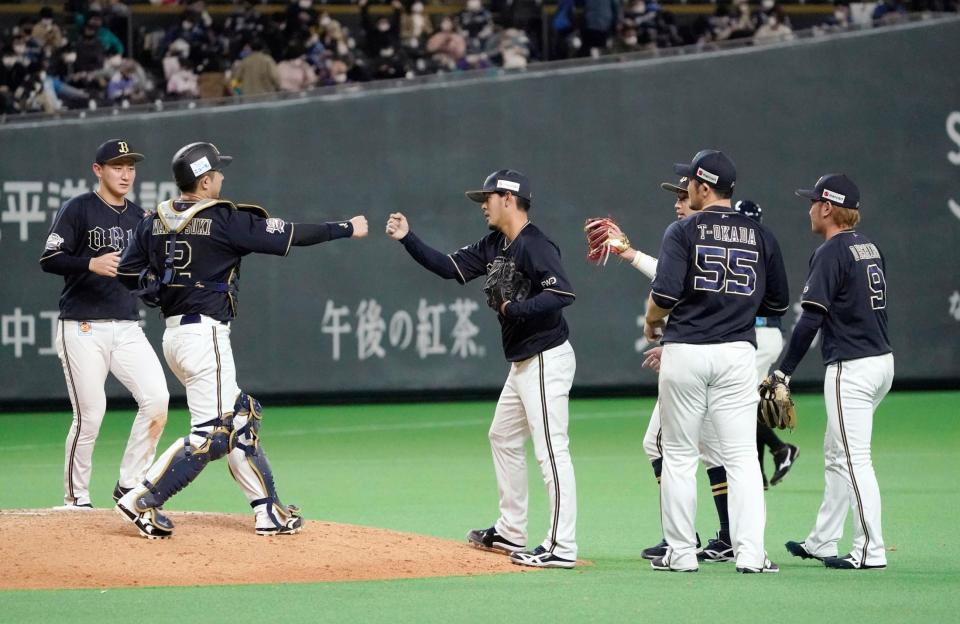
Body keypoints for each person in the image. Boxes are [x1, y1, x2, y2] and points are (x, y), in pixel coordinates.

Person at [113, 142, 368, 539]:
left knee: (241, 420)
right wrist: (345, 228)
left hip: (176, 336)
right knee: (212, 433)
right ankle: (141, 499)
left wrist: (160, 288)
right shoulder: (223, 220)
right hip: (205, 337)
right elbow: (290, 234)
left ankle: (268, 512)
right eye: (217, 172)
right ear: (204, 179)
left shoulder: (154, 220)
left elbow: (128, 274)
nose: (222, 177)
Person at [385, 169, 578, 568]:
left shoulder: (535, 245)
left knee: (551, 452)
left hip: (547, 357)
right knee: (502, 436)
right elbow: (448, 267)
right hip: (523, 361)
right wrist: (408, 239)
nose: (482, 206)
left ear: (508, 199)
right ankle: (511, 530)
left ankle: (562, 545)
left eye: (487, 198)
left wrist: (515, 309)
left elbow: (562, 292)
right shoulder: (495, 244)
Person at [645, 149, 790, 573]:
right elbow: (778, 300)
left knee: (678, 455)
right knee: (743, 456)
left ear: (704, 187)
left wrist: (651, 323)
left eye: (690, 179)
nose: (686, 185)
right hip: (736, 354)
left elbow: (665, 295)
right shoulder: (760, 235)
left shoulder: (682, 229)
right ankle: (750, 555)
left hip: (686, 350)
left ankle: (681, 555)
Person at [594, 177, 735, 563]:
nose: (677, 201)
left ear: (703, 194)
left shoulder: (688, 235)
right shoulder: (723, 238)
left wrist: (663, 334)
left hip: (694, 358)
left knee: (663, 445)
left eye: (682, 194)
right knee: (715, 449)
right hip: (721, 355)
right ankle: (727, 537)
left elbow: (671, 289)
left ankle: (682, 536)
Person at [39, 139, 170, 511]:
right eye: (117, 166)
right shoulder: (77, 209)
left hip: (127, 326)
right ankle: (75, 498)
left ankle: (129, 484)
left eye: (130, 167)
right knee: (90, 415)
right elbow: (49, 257)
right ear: (98, 170)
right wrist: (89, 263)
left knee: (157, 400)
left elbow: (149, 272)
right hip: (82, 326)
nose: (126, 173)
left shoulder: (139, 218)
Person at [778, 174, 893, 570]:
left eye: (813, 201)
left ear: (828, 208)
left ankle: (869, 550)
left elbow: (811, 319)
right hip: (880, 361)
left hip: (853, 368)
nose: (809, 208)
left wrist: (783, 372)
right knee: (836, 452)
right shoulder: (868, 247)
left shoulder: (830, 252)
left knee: (854, 459)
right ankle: (823, 540)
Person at [732, 199, 800, 488]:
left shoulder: (740, 248)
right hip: (769, 335)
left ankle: (780, 449)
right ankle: (759, 473)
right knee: (750, 405)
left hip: (756, 336)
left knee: (741, 406)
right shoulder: (765, 245)